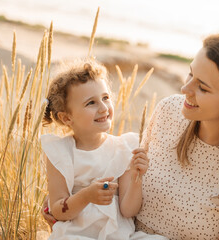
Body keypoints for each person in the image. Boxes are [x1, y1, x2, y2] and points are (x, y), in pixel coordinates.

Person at [43, 31, 219, 239]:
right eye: (190, 74)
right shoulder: (169, 112)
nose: (185, 89)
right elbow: (127, 188)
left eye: (202, 87)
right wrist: (72, 209)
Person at [41, 59, 167, 239]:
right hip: (77, 233)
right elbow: (59, 211)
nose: (103, 108)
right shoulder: (61, 151)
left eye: (105, 98)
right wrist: (86, 196)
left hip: (118, 234)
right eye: (91, 103)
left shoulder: (123, 148)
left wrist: (138, 177)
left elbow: (128, 210)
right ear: (67, 118)